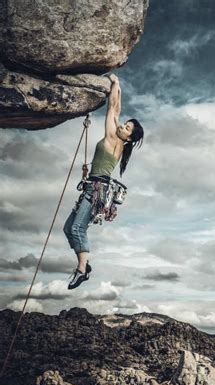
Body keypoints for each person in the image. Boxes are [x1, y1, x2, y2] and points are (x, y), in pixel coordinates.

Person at [63, 74, 144, 290]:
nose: (121, 126)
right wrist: (119, 89)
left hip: (96, 190)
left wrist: (116, 84)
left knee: (78, 229)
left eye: (126, 128)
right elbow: (117, 109)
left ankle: (82, 271)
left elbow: (113, 108)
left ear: (128, 138)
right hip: (96, 187)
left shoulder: (112, 137)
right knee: (68, 228)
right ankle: (85, 264)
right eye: (124, 124)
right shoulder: (120, 144)